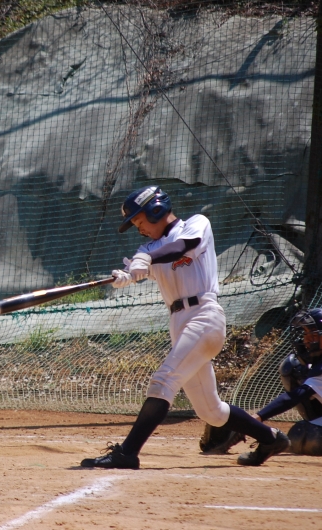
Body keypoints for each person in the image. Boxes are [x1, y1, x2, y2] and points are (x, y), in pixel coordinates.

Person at [80, 185, 289, 469]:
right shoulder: (148, 248)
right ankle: (271, 438)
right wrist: (126, 276)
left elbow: (181, 248)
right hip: (178, 323)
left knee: (163, 381)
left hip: (204, 316)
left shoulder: (195, 225)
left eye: (140, 221)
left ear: (156, 210)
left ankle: (126, 453)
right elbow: (143, 267)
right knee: (211, 412)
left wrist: (147, 259)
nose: (140, 230)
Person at [228, 307, 322, 458]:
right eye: (305, 333)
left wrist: (255, 419)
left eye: (313, 334)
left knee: (306, 436)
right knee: (296, 368)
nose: (306, 339)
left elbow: (295, 396)